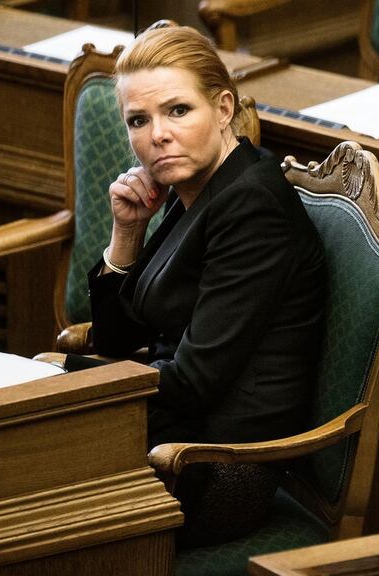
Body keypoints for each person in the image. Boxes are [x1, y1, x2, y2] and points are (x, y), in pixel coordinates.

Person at [68, 25, 326, 546]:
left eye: (178, 110)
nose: (157, 135)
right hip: (171, 432)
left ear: (223, 108)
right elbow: (118, 338)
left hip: (216, 467)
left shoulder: (250, 204)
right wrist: (126, 233)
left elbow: (193, 383)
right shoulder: (198, 187)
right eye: (139, 120)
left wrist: (71, 384)